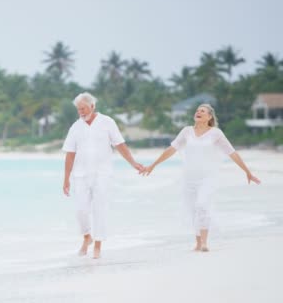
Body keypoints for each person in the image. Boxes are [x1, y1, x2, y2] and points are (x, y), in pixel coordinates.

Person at [141, 104, 261, 252]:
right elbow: (171, 149)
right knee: (193, 210)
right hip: (189, 178)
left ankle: (204, 243)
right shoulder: (186, 131)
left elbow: (232, 153)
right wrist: (153, 165)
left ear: (209, 117)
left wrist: (247, 171)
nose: (198, 112)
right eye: (197, 110)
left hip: (208, 178)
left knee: (202, 204)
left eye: (202, 111)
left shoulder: (215, 133)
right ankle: (198, 243)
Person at [62, 92, 144, 259]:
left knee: (100, 210)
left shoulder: (107, 122)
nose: (81, 112)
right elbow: (70, 154)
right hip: (80, 176)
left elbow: (120, 145)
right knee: (81, 210)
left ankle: (98, 245)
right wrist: (66, 179)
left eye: (84, 108)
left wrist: (133, 163)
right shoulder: (76, 127)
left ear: (92, 106)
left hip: (102, 174)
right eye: (79, 110)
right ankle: (87, 237)